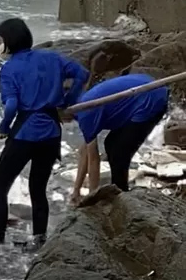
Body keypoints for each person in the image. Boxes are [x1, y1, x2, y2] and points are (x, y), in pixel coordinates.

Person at [0, 17, 88, 247]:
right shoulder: (52, 58)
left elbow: (12, 106)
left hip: (25, 134)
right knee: (37, 187)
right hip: (51, 133)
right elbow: (81, 74)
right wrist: (66, 102)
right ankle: (40, 239)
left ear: (7, 43)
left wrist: (3, 128)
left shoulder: (10, 69)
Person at [70, 73, 169, 203]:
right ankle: (118, 191)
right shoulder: (81, 106)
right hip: (146, 87)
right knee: (111, 144)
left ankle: (121, 198)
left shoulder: (85, 113)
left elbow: (94, 160)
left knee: (118, 151)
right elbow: (84, 154)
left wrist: (92, 198)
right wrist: (76, 191)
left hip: (151, 97)